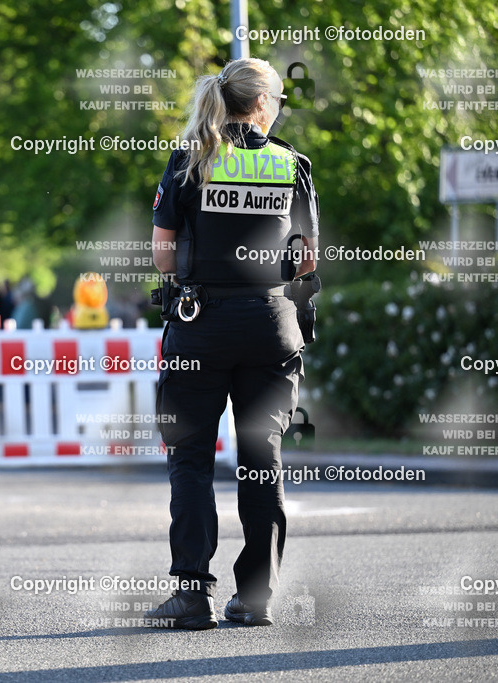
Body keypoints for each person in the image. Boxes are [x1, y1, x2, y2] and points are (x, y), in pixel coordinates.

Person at [145, 58, 319, 629]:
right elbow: (306, 259)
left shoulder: (192, 160)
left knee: (191, 457)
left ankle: (193, 594)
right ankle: (256, 597)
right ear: (264, 102)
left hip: (202, 323)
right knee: (261, 459)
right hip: (271, 323)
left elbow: (163, 255)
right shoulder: (292, 164)